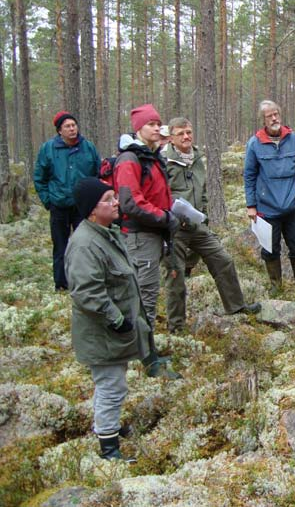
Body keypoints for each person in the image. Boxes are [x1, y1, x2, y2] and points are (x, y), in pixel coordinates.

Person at [65, 177, 151, 462]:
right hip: (103, 332)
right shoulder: (85, 246)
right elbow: (87, 292)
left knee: (114, 383)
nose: (116, 203)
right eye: (108, 199)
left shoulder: (106, 233)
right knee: (111, 386)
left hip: (113, 331)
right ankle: (108, 448)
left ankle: (108, 427)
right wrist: (117, 319)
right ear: (92, 210)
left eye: (115, 197)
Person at [163, 117, 259, 331]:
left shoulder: (196, 158)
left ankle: (235, 306)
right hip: (173, 228)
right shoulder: (163, 161)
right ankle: (176, 326)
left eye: (189, 132)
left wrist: (203, 216)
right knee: (175, 276)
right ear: (171, 138)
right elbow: (159, 194)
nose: (186, 136)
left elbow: (203, 191)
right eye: (181, 133)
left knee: (223, 259)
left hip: (196, 225)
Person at [114, 103, 180, 379]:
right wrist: (164, 217)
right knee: (145, 298)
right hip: (140, 236)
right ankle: (146, 359)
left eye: (158, 123)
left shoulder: (151, 156)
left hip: (153, 233)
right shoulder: (131, 159)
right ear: (139, 128)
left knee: (148, 296)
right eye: (151, 124)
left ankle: (148, 350)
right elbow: (130, 202)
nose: (157, 127)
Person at [245, 100, 295, 293]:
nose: (274, 118)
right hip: (266, 208)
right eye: (269, 116)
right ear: (263, 120)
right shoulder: (254, 144)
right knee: (270, 249)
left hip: (291, 206)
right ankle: (276, 287)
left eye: (276, 114)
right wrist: (251, 204)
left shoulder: (293, 139)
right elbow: (249, 175)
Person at [33, 111, 100, 291]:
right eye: (67, 126)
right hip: (59, 205)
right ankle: (61, 284)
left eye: (74, 125)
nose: (72, 129)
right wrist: (48, 201)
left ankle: (85, 280)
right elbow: (40, 177)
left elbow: (97, 173)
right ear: (59, 131)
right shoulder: (48, 149)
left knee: (85, 245)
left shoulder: (88, 147)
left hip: (83, 207)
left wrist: (93, 201)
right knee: (61, 246)